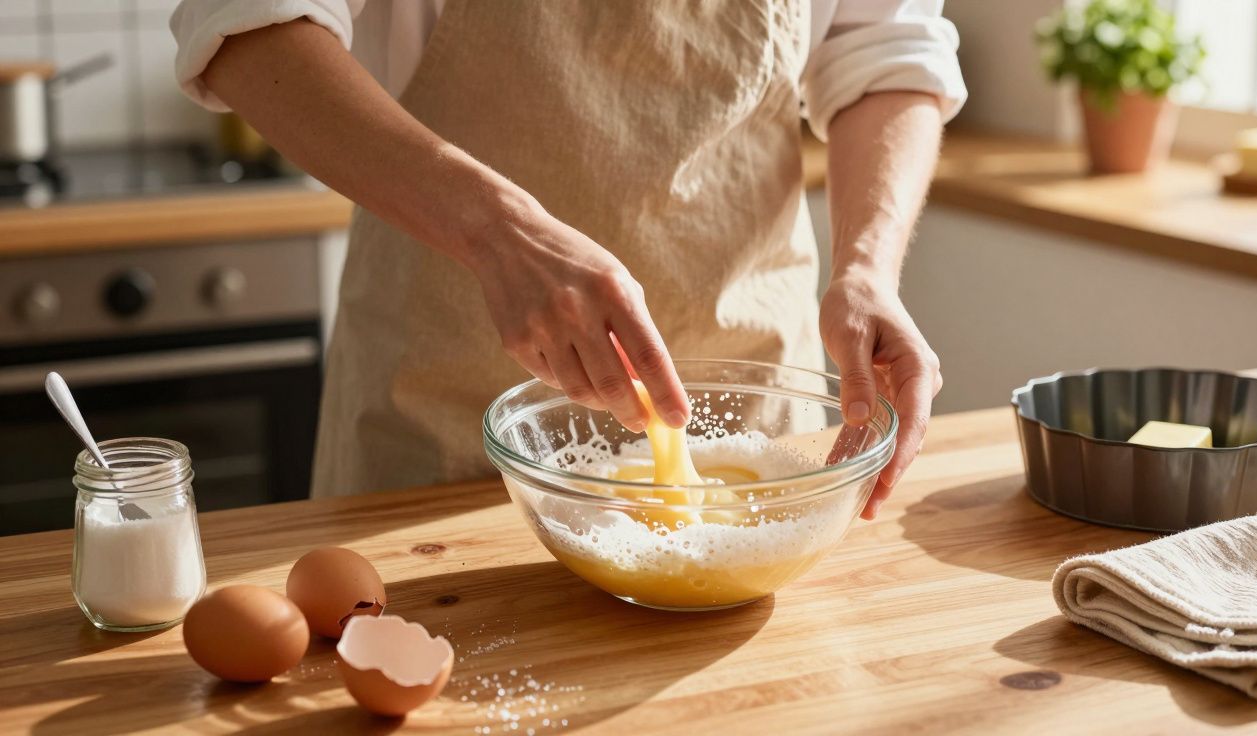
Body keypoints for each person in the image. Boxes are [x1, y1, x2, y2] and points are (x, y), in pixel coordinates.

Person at [171, 0, 965, 518]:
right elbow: (247, 24)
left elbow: (885, 49)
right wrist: (497, 231)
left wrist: (867, 267)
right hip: (443, 428)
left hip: (757, 404)